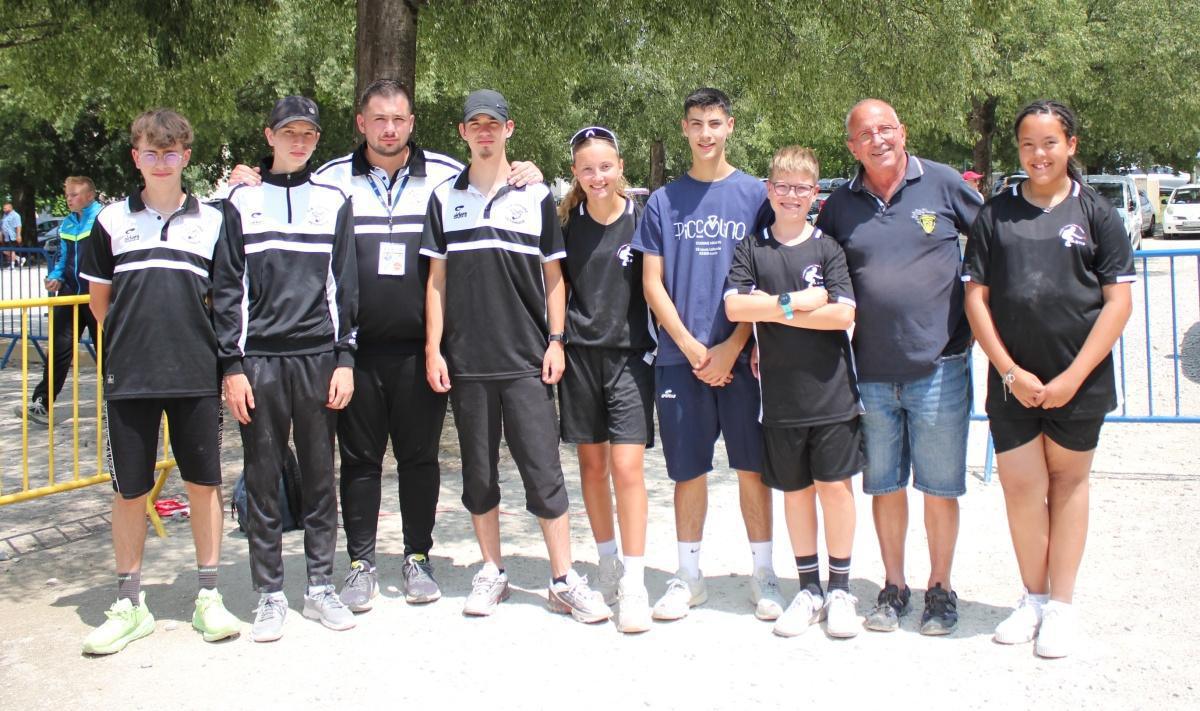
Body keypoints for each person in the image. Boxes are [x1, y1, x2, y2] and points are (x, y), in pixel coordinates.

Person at [227, 79, 542, 613]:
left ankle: (418, 557)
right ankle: (360, 564)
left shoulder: (446, 175)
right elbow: (275, 191)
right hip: (352, 352)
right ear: (361, 124)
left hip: (423, 347)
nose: (389, 129)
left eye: (399, 119)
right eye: (379, 120)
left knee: (419, 460)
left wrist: (526, 170)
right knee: (359, 461)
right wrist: (246, 177)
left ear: (412, 122)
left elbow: (496, 185)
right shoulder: (330, 180)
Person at [422, 89, 611, 624]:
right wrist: (433, 348)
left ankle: (562, 578)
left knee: (544, 473)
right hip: (466, 362)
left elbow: (555, 277)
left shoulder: (536, 196)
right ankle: (492, 571)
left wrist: (556, 340)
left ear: (509, 129)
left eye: (494, 124)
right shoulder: (444, 199)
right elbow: (436, 280)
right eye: (474, 124)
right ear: (463, 132)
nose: (484, 132)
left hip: (528, 358)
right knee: (478, 476)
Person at [963, 99, 1134, 658]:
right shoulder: (995, 214)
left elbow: (1117, 304)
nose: (1039, 154)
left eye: (1050, 143)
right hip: (1013, 387)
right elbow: (976, 299)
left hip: (1078, 385)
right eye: (1028, 145)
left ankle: (1061, 605)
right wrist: (1009, 371)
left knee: (1067, 488)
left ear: (1071, 146)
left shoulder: (1098, 213)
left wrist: (1071, 378)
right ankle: (1032, 599)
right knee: (1022, 490)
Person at [815, 99, 983, 635]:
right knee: (884, 485)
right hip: (869, 373)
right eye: (865, 134)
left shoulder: (944, 183)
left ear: (903, 132)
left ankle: (940, 588)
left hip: (939, 367)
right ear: (852, 147)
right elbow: (815, 271)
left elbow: (993, 243)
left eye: (886, 129)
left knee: (939, 487)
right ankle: (893, 587)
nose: (878, 139)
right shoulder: (839, 205)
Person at [78, 109, 240, 654]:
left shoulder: (214, 221)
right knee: (130, 490)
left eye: (171, 153)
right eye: (151, 152)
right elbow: (102, 305)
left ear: (186, 157)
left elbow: (224, 300)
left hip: (195, 374)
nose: (161, 162)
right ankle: (129, 604)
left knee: (203, 485)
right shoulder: (107, 223)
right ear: (136, 157)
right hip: (131, 376)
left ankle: (209, 597)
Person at [632, 87, 782, 623]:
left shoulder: (756, 197)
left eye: (714, 123)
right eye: (695, 124)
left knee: (751, 469)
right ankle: (688, 576)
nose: (705, 133)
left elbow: (768, 276)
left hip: (742, 356)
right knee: (687, 472)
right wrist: (696, 349)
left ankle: (764, 575)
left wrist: (733, 344)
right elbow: (653, 284)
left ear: (730, 126)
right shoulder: (663, 201)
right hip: (682, 359)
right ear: (683, 129)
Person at [214, 96, 359, 642]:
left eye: (308, 134)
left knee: (322, 478)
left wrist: (345, 358)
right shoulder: (240, 202)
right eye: (288, 132)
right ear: (270, 136)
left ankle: (320, 585)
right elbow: (227, 289)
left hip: (319, 357)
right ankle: (269, 593)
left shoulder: (333, 200)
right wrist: (232, 365)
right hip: (260, 362)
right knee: (264, 475)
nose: (299, 142)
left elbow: (347, 286)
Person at [724, 146, 864, 639]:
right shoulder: (754, 247)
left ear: (814, 194)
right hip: (779, 398)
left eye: (801, 188)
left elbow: (842, 315)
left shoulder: (827, 248)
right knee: (797, 493)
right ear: (769, 190)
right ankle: (808, 588)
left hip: (831, 393)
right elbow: (737, 309)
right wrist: (797, 301)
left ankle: (841, 588)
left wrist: (771, 306)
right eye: (782, 186)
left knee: (835, 489)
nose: (791, 195)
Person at [557, 126, 655, 633]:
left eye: (606, 166)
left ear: (620, 167)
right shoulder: (566, 224)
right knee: (592, 469)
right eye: (587, 168)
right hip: (579, 359)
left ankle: (635, 582)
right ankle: (607, 563)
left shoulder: (644, 221)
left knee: (628, 469)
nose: (598, 176)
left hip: (630, 360)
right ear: (575, 173)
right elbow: (559, 287)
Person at [15, 177, 102, 425]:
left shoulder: (103, 220)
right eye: (67, 195)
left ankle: (115, 403)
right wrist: (54, 277)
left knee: (108, 353)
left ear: (89, 196)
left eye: (73, 195)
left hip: (96, 294)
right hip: (69, 295)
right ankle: (41, 403)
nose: (68, 199)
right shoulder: (67, 224)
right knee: (58, 351)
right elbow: (62, 259)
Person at [2, 201, 22, 267]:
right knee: (5, 250)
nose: (3, 209)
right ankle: (19, 259)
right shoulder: (5, 215)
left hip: (12, 235)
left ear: (10, 208)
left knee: (11, 250)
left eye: (5, 208)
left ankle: (12, 265)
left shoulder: (16, 215)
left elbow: (18, 225)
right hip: (6, 236)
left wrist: (18, 235)